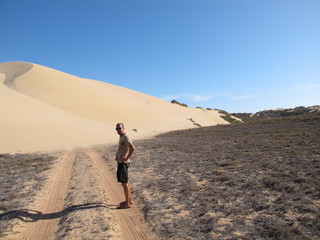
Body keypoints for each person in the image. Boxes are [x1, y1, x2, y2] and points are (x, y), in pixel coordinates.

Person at [115, 123, 135, 209]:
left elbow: (132, 148)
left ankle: (127, 203)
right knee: (126, 181)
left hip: (123, 163)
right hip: (121, 162)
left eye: (119, 128)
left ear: (123, 128)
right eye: (116, 129)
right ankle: (128, 200)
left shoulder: (126, 137)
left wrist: (127, 157)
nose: (118, 130)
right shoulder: (121, 137)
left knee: (124, 182)